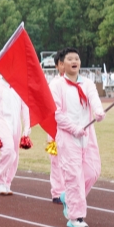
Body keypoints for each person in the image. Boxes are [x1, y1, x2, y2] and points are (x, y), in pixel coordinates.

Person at [51, 48, 105, 227]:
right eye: (70, 59)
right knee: (74, 176)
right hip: (68, 136)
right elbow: (57, 113)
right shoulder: (57, 85)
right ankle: (75, 217)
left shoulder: (87, 83)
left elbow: (94, 99)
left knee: (92, 171)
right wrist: (74, 128)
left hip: (87, 135)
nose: (74, 61)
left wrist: (98, 111)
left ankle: (69, 198)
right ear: (62, 64)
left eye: (77, 58)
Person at [0, 74, 30, 195]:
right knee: (8, 150)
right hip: (1, 122)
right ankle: (0, 180)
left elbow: (25, 107)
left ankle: (7, 182)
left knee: (14, 155)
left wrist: (27, 127)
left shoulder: (19, 87)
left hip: (16, 124)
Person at [48, 50, 67, 203]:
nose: (64, 66)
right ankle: (57, 192)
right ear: (57, 66)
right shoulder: (54, 84)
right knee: (56, 160)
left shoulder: (79, 83)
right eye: (61, 63)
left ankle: (70, 190)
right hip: (55, 127)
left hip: (72, 128)